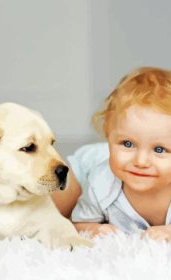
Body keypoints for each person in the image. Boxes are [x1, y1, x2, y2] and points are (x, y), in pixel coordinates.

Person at [52, 67, 171, 241]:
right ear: (108, 134)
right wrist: (92, 228)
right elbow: (77, 224)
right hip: (86, 166)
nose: (141, 161)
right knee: (57, 208)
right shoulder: (101, 183)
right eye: (127, 144)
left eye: (159, 149)